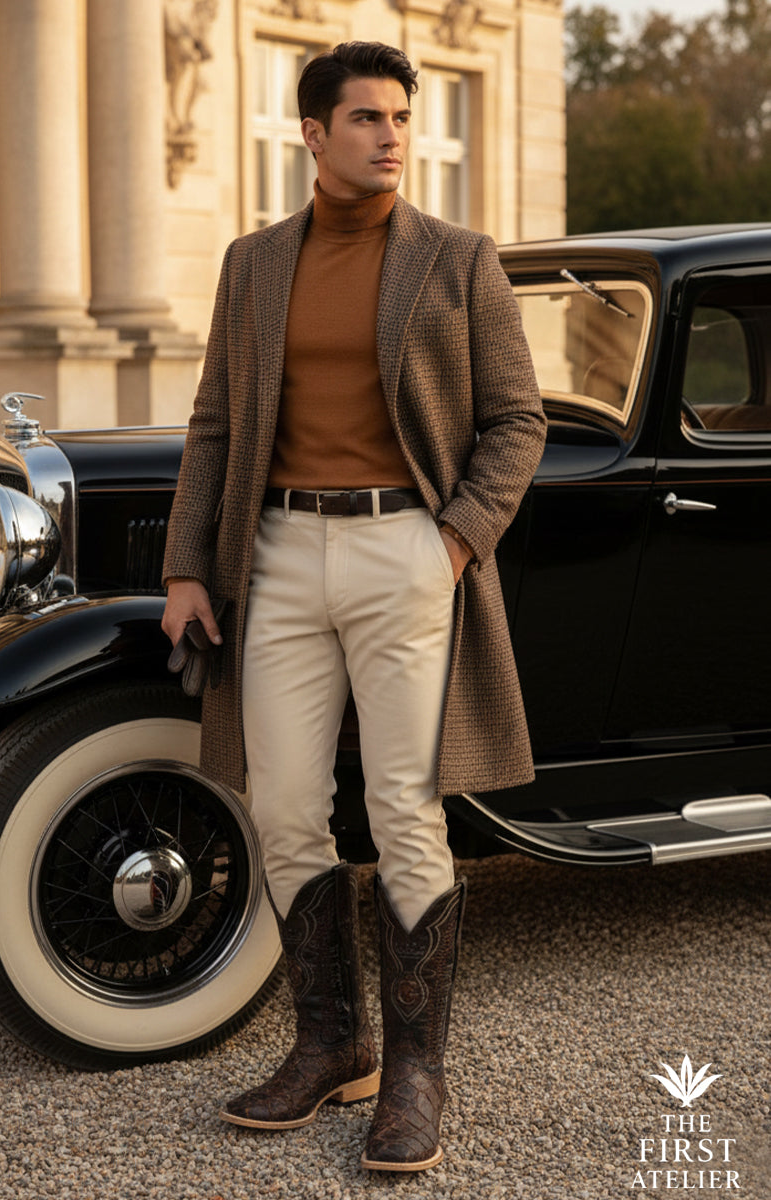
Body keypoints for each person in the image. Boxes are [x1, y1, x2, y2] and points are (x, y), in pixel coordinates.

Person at [161, 40, 546, 1172]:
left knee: (403, 807)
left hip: (405, 555)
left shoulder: (459, 259)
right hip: (275, 555)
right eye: (368, 118)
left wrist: (455, 540)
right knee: (282, 802)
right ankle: (333, 1045)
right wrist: (190, 564)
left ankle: (418, 1074)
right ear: (314, 135)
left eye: (400, 118)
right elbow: (215, 423)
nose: (392, 137)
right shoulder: (252, 264)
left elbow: (517, 421)